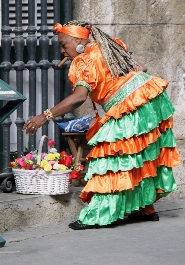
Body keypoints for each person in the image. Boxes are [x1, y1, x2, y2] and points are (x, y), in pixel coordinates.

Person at [23, 20, 181, 230]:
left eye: (64, 44)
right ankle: (145, 207)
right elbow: (141, 67)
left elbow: (78, 98)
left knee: (110, 160)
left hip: (131, 105)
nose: (62, 50)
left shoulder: (83, 62)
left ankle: (99, 214)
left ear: (79, 40)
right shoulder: (110, 46)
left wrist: (45, 115)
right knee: (139, 156)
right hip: (149, 96)